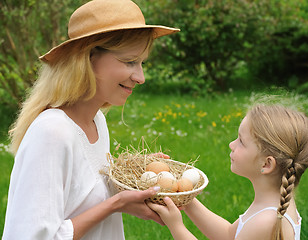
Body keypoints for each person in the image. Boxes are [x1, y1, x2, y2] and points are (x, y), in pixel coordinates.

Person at [2, 0, 179, 239]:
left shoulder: (96, 121)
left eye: (142, 62)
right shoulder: (52, 132)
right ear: (88, 59)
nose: (141, 77)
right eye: (130, 61)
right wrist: (116, 203)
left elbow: (81, 195)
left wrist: (131, 175)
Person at [148, 104, 308, 240]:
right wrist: (188, 200)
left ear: (266, 164)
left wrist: (176, 227)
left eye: (241, 141)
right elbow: (229, 235)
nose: (231, 144)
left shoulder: (265, 221)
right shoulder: (272, 206)